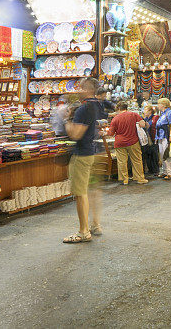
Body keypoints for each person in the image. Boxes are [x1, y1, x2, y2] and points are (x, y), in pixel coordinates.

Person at [63, 78, 102, 243]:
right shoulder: (96, 106)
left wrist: (66, 120)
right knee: (91, 190)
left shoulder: (83, 109)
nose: (78, 90)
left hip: (82, 154)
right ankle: (95, 224)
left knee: (80, 193)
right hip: (92, 152)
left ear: (87, 89)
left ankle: (83, 231)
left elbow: (75, 134)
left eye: (80, 87)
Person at [106, 102, 148, 185]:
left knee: (122, 162)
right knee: (137, 160)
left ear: (118, 109)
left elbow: (110, 133)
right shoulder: (134, 115)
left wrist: (104, 132)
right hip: (133, 141)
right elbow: (143, 124)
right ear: (126, 107)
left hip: (120, 143)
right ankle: (139, 178)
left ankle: (124, 179)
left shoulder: (115, 119)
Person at [155, 98, 171, 180]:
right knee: (162, 154)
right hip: (161, 136)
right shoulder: (163, 113)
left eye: (159, 104)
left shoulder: (170, 112)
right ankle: (165, 171)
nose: (158, 106)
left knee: (167, 155)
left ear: (163, 105)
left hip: (166, 136)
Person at [141, 105, 159, 176]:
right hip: (147, 139)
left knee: (154, 155)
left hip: (153, 138)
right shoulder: (145, 119)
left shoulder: (155, 117)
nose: (144, 112)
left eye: (146, 110)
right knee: (148, 155)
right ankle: (150, 170)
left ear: (150, 111)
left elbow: (156, 127)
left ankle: (155, 170)